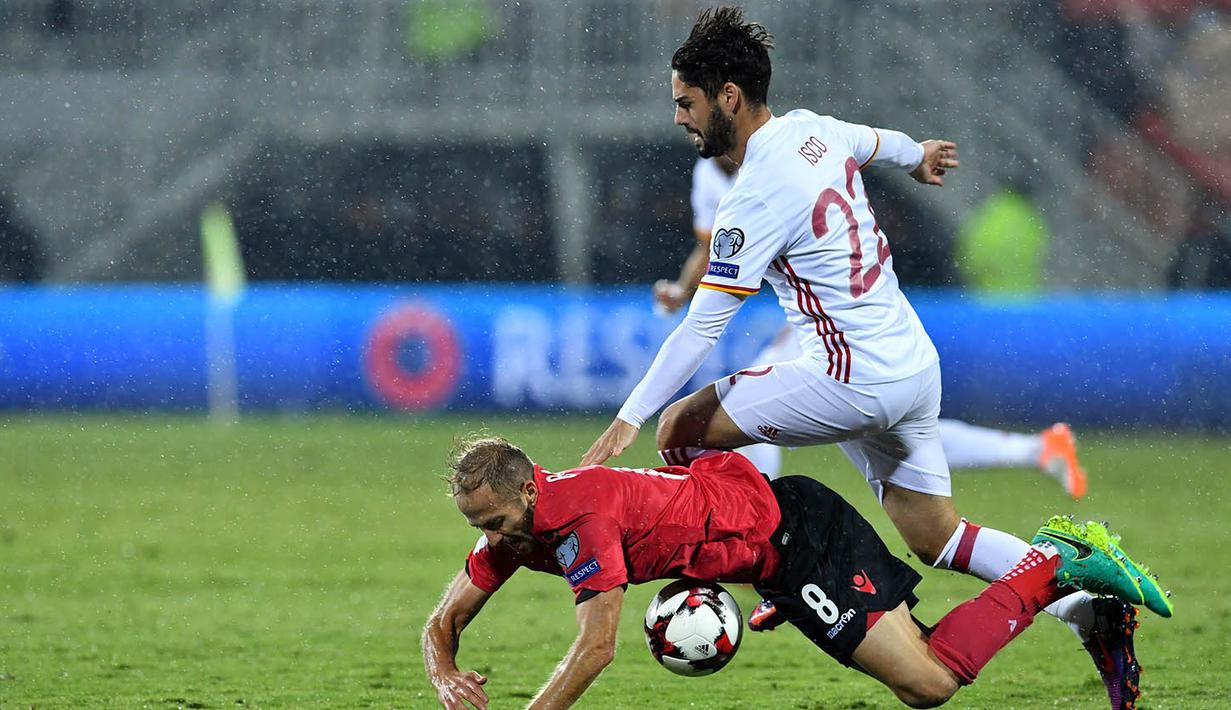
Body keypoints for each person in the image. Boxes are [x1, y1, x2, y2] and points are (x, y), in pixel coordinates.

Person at [580, 7, 1170, 707]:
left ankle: (767, 564)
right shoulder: (812, 131)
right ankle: (1085, 605)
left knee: (678, 427)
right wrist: (917, 154)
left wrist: (626, 420)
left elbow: (701, 330)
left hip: (849, 377)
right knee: (937, 536)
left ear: (728, 97)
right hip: (912, 367)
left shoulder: (753, 198)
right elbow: (876, 142)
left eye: (686, 102)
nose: (678, 117)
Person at [422, 437, 1169, 709]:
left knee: (929, 683)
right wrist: (444, 671)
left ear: (527, 490)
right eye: (476, 528)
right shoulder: (517, 531)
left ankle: (1057, 563)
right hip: (773, 550)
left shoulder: (578, 521)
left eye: (493, 522)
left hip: (795, 539)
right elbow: (442, 620)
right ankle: (1073, 595)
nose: (490, 540)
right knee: (925, 669)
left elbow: (595, 648)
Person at [655, 155, 1085, 495]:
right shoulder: (709, 170)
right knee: (909, 443)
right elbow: (713, 246)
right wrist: (681, 289)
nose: (692, 128)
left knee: (745, 410)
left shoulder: (783, 152)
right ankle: (1039, 449)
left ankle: (755, 530)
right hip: (819, 325)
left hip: (849, 318)